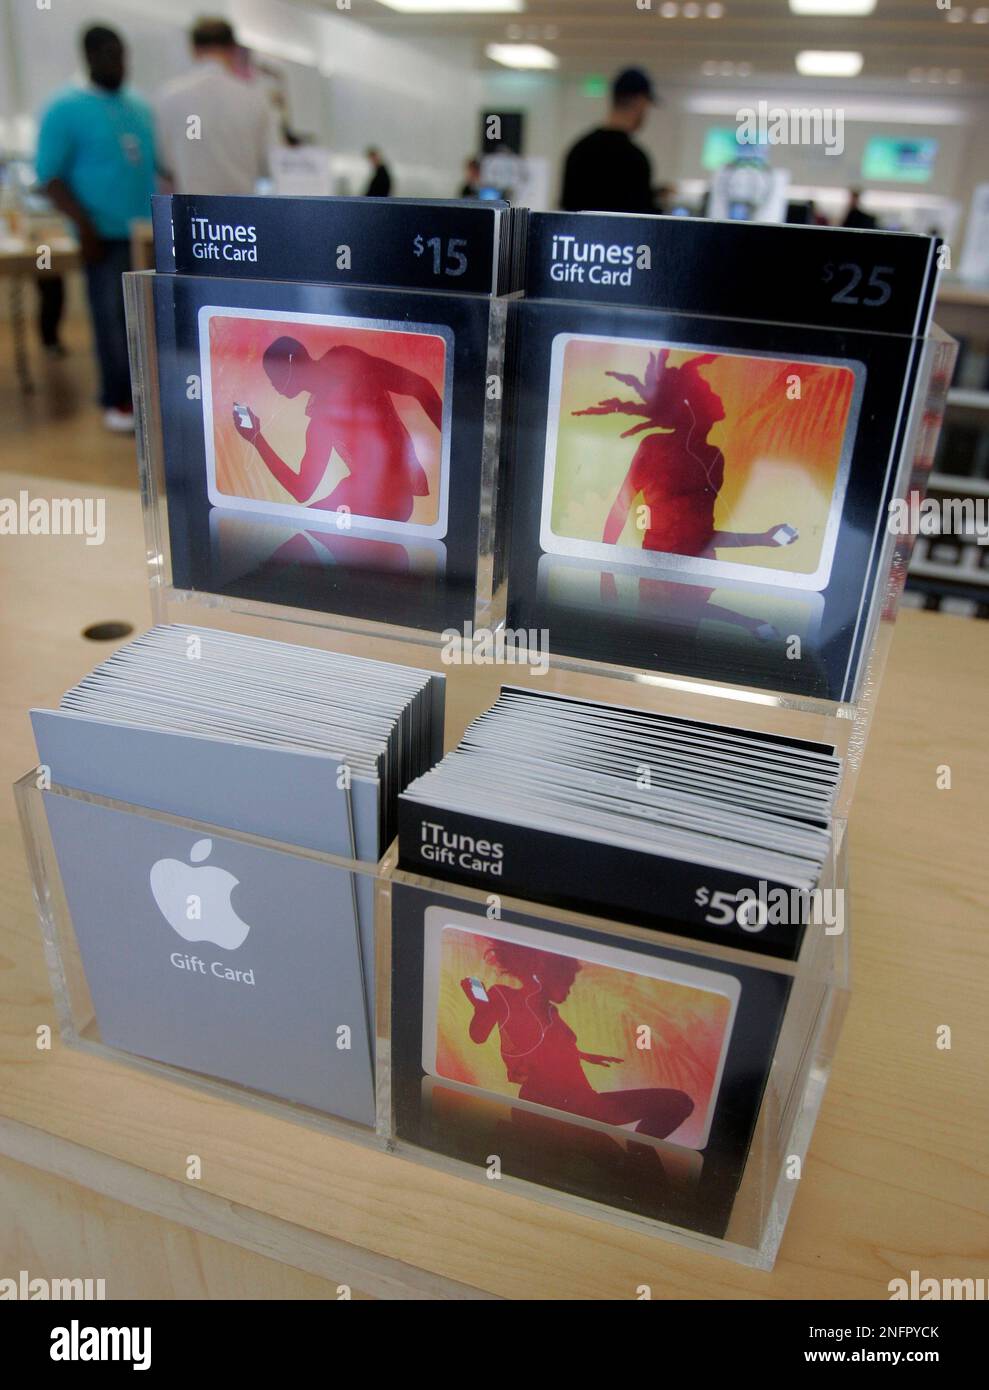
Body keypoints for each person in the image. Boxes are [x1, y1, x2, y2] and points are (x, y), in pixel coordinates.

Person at [36, 26, 156, 431]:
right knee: (112, 320)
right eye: (110, 56)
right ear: (89, 57)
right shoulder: (64, 109)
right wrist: (84, 227)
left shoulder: (138, 106)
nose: (119, 65)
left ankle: (146, 396)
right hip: (102, 236)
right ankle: (118, 399)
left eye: (123, 56)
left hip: (145, 232)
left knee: (145, 319)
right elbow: (49, 177)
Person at [461, 941, 694, 1140]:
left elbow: (544, 1047)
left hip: (583, 1103)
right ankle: (639, 1150)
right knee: (676, 1104)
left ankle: (640, 1147)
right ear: (550, 975)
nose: (569, 991)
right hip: (551, 1104)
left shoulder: (551, 1013)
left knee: (679, 1103)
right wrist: (482, 1008)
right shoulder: (504, 996)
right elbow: (478, 1036)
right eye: (568, 982)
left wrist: (582, 1054)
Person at [232, 335, 442, 522]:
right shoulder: (319, 419)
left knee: (303, 530)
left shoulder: (347, 363)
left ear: (291, 363)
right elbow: (302, 490)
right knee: (300, 527)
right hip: (361, 495)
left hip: (390, 499)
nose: (272, 385)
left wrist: (459, 442)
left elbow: (420, 386)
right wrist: (257, 439)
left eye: (274, 375)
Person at [155, 18, 272, 196]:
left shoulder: (169, 97)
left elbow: (165, 163)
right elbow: (267, 163)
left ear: (193, 49)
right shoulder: (254, 99)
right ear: (233, 49)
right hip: (241, 216)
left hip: (191, 214)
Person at [560, 67, 658, 213]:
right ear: (640, 101)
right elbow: (641, 218)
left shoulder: (578, 150)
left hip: (582, 235)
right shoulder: (636, 159)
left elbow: (568, 209)